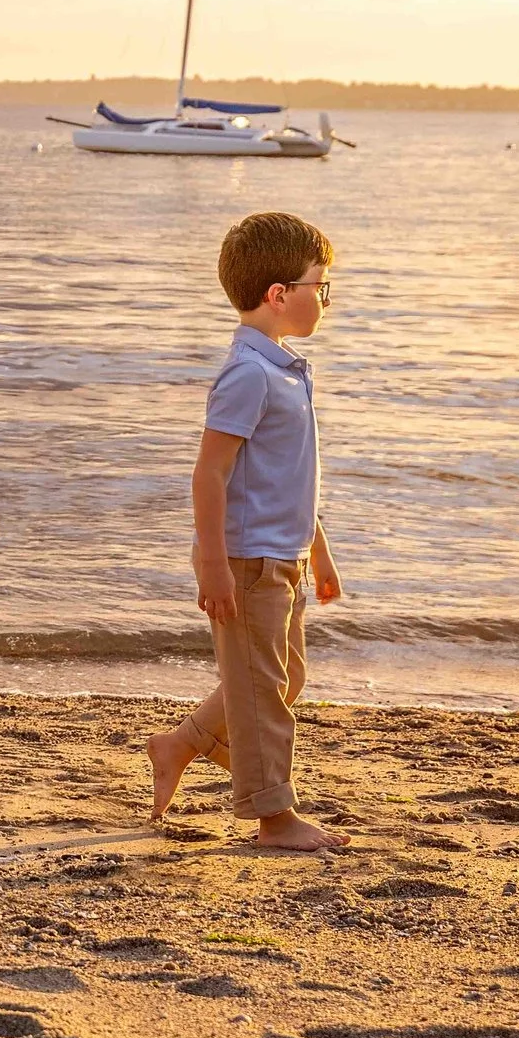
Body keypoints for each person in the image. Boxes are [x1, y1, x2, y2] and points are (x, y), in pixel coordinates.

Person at [146, 211, 349, 852]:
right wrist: (211, 566)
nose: (326, 298)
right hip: (244, 560)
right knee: (262, 691)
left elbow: (287, 475)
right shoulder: (248, 374)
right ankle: (274, 818)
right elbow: (210, 474)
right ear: (278, 295)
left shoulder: (286, 368)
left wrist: (319, 553)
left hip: (282, 555)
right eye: (321, 285)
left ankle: (180, 744)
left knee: (283, 679)